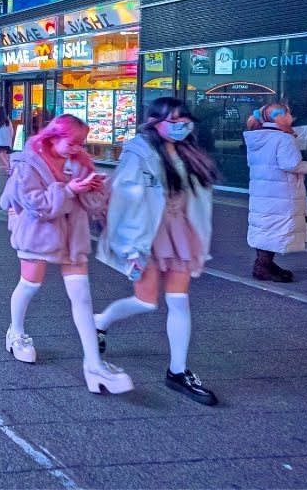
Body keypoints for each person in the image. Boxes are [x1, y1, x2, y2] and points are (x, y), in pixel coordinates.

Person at [95, 97, 219, 406]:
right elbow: (125, 199)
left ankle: (178, 371)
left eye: (185, 121)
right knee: (146, 301)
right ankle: (100, 322)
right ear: (155, 122)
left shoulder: (190, 154)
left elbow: (198, 202)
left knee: (179, 301)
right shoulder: (138, 153)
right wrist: (130, 246)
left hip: (179, 234)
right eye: (174, 122)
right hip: (145, 234)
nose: (181, 127)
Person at [0, 114, 131, 395]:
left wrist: (98, 188)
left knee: (82, 296)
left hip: (73, 236)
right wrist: (69, 190)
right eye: (72, 143)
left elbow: (93, 205)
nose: (77, 148)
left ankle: (94, 364)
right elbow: (35, 204)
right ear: (53, 136)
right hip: (37, 234)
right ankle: (16, 332)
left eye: (81, 143)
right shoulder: (28, 163)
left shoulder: (80, 161)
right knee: (30, 284)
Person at [244, 103, 307, 283]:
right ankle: (263, 266)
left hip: (262, 191)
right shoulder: (283, 139)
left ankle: (264, 263)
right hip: (281, 191)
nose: (291, 115)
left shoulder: (256, 137)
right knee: (277, 226)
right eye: (289, 112)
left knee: (265, 226)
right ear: (280, 115)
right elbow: (291, 164)